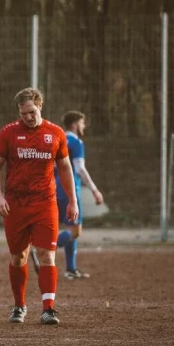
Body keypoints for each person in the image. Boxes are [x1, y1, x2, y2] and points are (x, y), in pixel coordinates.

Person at [0, 87, 79, 326]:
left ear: (40, 106)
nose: (28, 116)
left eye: (31, 111)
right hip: (15, 205)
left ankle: (49, 308)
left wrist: (72, 200)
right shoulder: (8, 133)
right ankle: (19, 306)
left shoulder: (56, 133)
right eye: (23, 113)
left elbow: (65, 168)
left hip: (44, 203)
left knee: (47, 255)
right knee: (18, 258)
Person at [54, 111, 104, 279]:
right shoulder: (76, 142)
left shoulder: (56, 139)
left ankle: (71, 268)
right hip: (69, 190)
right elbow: (80, 169)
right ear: (74, 125)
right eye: (82, 123)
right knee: (75, 231)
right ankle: (44, 249)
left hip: (52, 188)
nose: (84, 126)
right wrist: (95, 190)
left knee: (70, 228)